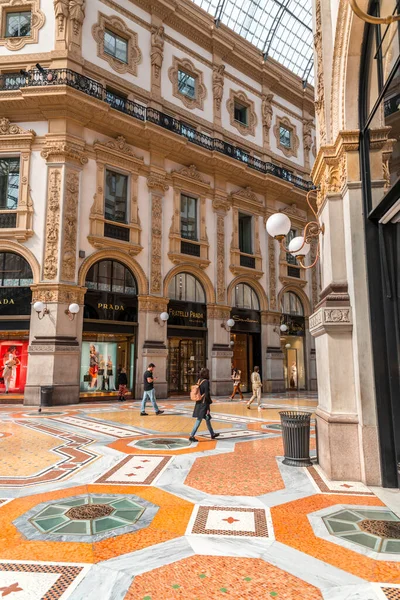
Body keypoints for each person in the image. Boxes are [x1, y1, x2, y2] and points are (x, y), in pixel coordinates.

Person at [189, 368, 220, 442]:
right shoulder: (206, 382)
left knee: (207, 418)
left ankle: (212, 434)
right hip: (204, 403)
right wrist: (209, 402)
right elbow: (207, 393)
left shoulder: (199, 380)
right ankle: (192, 435)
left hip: (199, 402)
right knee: (199, 419)